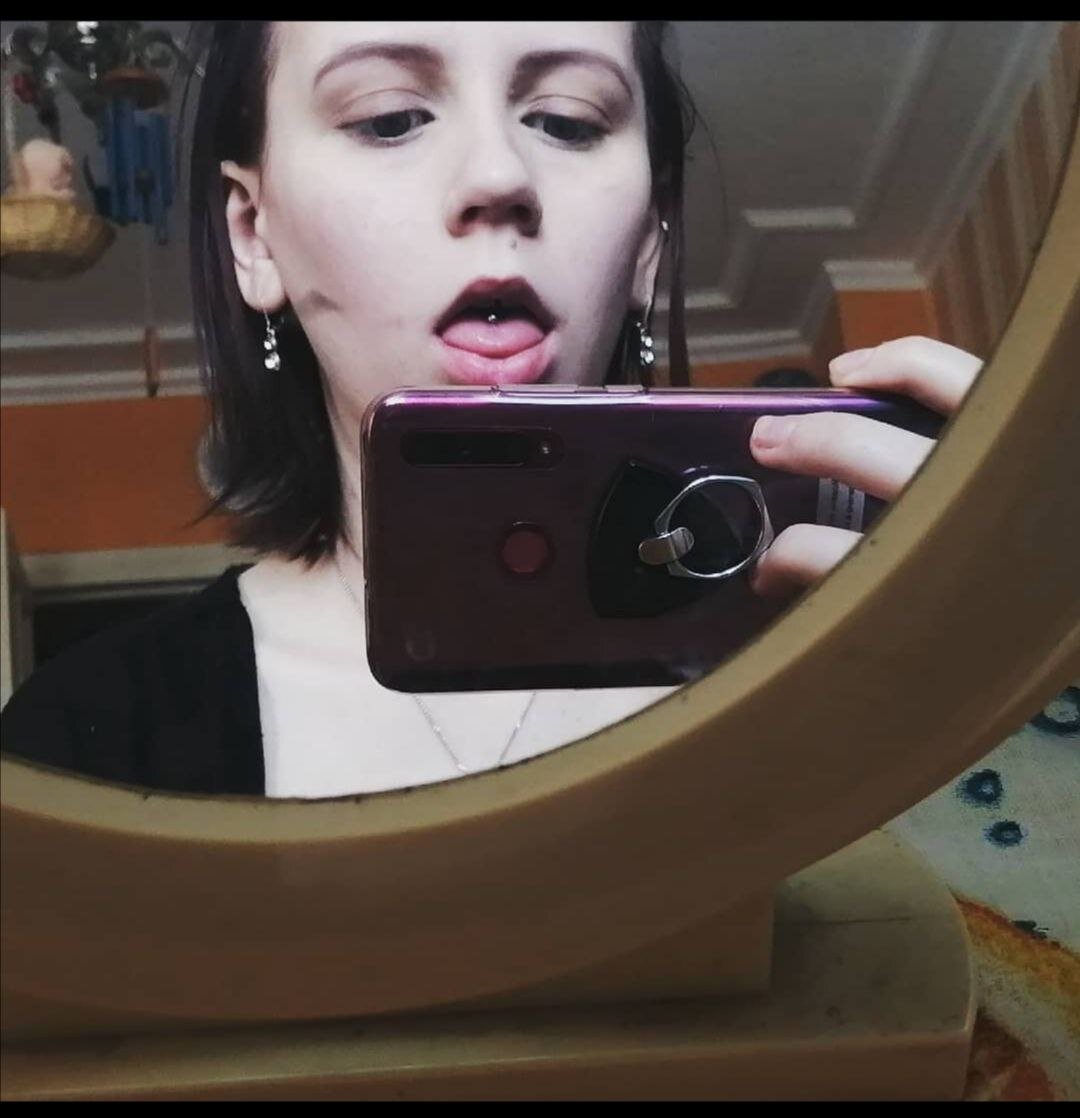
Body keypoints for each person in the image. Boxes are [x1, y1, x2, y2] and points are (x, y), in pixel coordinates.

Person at [1, 21, 982, 797]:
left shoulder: (819, 648)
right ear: (255, 236)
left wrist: (1014, 683)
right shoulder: (76, 745)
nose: (500, 177)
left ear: (649, 244)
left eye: (568, 120)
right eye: (390, 117)